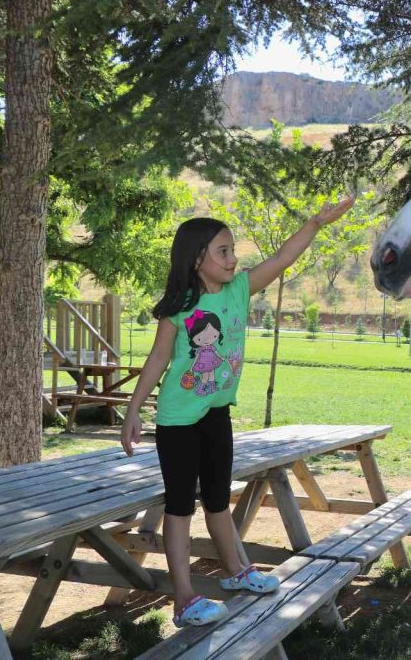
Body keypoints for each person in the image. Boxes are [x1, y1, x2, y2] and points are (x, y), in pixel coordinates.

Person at [120, 196, 355, 626]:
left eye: (232, 250)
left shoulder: (239, 289)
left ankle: (235, 572)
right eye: (223, 251)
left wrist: (316, 222)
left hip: (216, 412)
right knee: (178, 509)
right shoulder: (179, 310)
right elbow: (158, 360)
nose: (233, 259)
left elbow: (283, 257)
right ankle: (185, 598)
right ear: (196, 260)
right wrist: (135, 409)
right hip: (178, 419)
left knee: (216, 501)